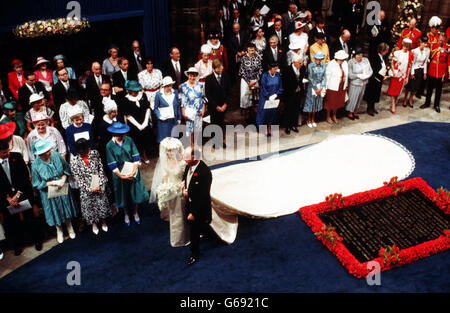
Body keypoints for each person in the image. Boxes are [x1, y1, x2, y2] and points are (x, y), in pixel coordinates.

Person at [0, 135, 42, 256]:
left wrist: (17, 195)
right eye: (3, 153)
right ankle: (17, 245)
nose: (7, 154)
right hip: (6, 199)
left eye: (7, 151)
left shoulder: (16, 157)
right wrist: (8, 198)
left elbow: (24, 178)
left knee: (31, 219)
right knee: (12, 224)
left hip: (22, 193)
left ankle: (37, 240)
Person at [31, 139, 78, 243]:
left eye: (48, 150)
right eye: (45, 152)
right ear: (39, 154)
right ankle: (59, 230)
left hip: (62, 186)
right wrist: (50, 183)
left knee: (66, 207)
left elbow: (66, 168)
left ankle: (70, 227)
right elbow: (36, 183)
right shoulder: (35, 165)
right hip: (48, 191)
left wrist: (63, 179)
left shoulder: (56, 155)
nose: (48, 153)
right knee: (54, 211)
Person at [106, 122, 149, 226]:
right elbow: (112, 164)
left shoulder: (129, 140)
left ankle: (135, 212)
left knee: (134, 192)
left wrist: (134, 171)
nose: (122, 136)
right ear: (114, 134)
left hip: (132, 168)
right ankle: (126, 214)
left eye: (123, 133)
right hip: (119, 172)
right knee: (123, 194)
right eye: (119, 134)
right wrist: (122, 176)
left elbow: (135, 156)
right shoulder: (109, 145)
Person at [150, 137, 189, 247]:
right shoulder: (165, 160)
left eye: (173, 150)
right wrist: (165, 187)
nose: (171, 152)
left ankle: (180, 238)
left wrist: (183, 187)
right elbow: (166, 175)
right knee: (173, 212)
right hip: (170, 188)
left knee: (179, 214)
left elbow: (187, 176)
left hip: (180, 189)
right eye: (168, 150)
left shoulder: (182, 162)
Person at [70, 138, 111, 235]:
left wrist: (100, 183)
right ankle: (93, 224)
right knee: (89, 206)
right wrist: (89, 188)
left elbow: (100, 168)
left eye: (85, 151)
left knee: (101, 203)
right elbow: (78, 178)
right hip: (86, 187)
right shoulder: (74, 162)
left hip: (98, 182)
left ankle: (103, 221)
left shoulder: (95, 153)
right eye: (81, 152)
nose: (84, 153)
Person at [181, 145, 212, 266]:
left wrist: (193, 213)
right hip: (190, 204)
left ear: (194, 157)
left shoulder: (205, 172)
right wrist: (184, 185)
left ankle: (194, 254)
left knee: (194, 232)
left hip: (199, 209)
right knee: (199, 228)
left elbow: (203, 197)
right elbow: (186, 177)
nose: (184, 160)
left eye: (186, 158)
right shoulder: (189, 165)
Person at [121, 80, 153, 163]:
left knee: (145, 139)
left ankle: (144, 155)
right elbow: (127, 115)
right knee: (135, 140)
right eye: (133, 91)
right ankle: (137, 157)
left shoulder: (143, 95)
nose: (135, 92)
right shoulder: (125, 99)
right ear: (129, 90)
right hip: (133, 124)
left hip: (144, 121)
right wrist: (138, 125)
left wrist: (145, 122)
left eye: (136, 90)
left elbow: (148, 108)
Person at [420, 33, 449, 113]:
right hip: (432, 69)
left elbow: (448, 61)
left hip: (441, 71)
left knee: (439, 90)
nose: (441, 42)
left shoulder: (448, 48)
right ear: (438, 39)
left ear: (445, 40)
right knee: (429, 88)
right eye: (439, 40)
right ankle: (427, 103)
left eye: (442, 40)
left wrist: (446, 73)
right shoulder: (433, 46)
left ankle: (436, 105)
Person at [205, 59, 231, 147]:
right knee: (214, 123)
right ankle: (215, 142)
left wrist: (225, 104)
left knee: (221, 123)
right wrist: (216, 106)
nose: (220, 70)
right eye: (218, 68)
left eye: (221, 67)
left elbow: (229, 92)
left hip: (223, 105)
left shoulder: (226, 76)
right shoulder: (209, 79)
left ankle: (221, 140)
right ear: (214, 69)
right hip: (213, 106)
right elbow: (208, 95)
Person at [180, 68, 206, 144]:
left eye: (194, 76)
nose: (192, 78)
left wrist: (203, 109)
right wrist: (183, 112)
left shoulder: (200, 85)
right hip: (189, 112)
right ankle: (191, 146)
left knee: (197, 130)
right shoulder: (183, 86)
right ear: (188, 75)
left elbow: (203, 98)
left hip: (199, 111)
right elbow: (183, 100)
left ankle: (196, 145)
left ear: (196, 76)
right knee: (190, 131)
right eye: (191, 76)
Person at [387, 39, 414, 114]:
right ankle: (393, 104)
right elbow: (392, 63)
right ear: (402, 45)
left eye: (408, 47)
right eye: (405, 46)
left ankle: (394, 102)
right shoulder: (397, 53)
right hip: (396, 74)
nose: (406, 48)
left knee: (399, 90)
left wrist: (407, 77)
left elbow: (409, 66)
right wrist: (393, 72)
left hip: (403, 75)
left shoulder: (410, 54)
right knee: (393, 89)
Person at [346, 47, 373, 120]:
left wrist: (367, 76)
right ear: (355, 55)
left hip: (363, 83)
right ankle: (350, 112)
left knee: (359, 98)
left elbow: (370, 70)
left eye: (361, 55)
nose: (359, 57)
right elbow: (350, 75)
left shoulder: (366, 60)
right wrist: (358, 76)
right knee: (352, 98)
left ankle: (355, 111)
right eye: (358, 55)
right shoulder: (351, 62)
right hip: (355, 83)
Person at [256, 63, 282, 136]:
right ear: (270, 69)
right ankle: (261, 127)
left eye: (277, 69)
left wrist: (276, 94)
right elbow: (263, 88)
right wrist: (268, 96)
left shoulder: (278, 75)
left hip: (274, 97)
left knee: (272, 112)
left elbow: (280, 87)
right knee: (263, 112)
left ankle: (269, 127)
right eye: (275, 69)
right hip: (265, 97)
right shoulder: (265, 76)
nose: (276, 70)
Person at [403, 36, 430, 108]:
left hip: (420, 70)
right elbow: (412, 63)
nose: (426, 44)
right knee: (409, 86)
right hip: (414, 70)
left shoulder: (427, 51)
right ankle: (405, 98)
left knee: (415, 87)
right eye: (424, 43)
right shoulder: (414, 51)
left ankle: (411, 98)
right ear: (420, 43)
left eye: (426, 43)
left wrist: (425, 73)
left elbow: (425, 63)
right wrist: (412, 73)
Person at [364, 43, 390, 116]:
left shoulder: (382, 57)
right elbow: (374, 70)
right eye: (386, 50)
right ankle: (369, 108)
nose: (387, 52)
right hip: (374, 79)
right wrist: (381, 77)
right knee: (371, 94)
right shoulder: (375, 57)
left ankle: (373, 107)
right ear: (382, 50)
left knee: (376, 94)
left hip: (379, 79)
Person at [238, 43, 262, 120]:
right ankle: (246, 113)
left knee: (255, 96)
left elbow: (260, 70)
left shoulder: (257, 58)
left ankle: (253, 112)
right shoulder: (243, 58)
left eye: (253, 50)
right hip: (246, 80)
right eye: (250, 50)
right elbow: (242, 71)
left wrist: (256, 80)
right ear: (247, 50)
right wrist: (249, 82)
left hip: (255, 80)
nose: (251, 52)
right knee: (245, 97)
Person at [154, 76, 181, 144]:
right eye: (168, 86)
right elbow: (155, 108)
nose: (170, 87)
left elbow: (177, 106)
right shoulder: (158, 94)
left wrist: (179, 118)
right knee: (164, 141)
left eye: (171, 85)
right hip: (164, 122)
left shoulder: (175, 92)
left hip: (173, 120)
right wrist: (160, 116)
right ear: (164, 86)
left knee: (174, 140)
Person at [324, 50, 349, 124]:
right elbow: (327, 76)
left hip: (341, 86)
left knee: (337, 102)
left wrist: (346, 85)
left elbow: (346, 75)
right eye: (340, 59)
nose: (342, 61)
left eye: (343, 59)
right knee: (330, 103)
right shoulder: (331, 64)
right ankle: (328, 116)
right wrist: (326, 87)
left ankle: (334, 115)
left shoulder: (345, 63)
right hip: (332, 86)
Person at [304, 51, 326, 128]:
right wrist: (315, 88)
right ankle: (308, 120)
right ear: (315, 58)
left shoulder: (324, 65)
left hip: (320, 87)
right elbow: (310, 77)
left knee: (316, 103)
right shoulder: (310, 65)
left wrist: (321, 87)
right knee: (311, 103)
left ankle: (313, 119)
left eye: (320, 59)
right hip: (312, 87)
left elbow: (324, 77)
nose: (318, 61)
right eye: (317, 59)